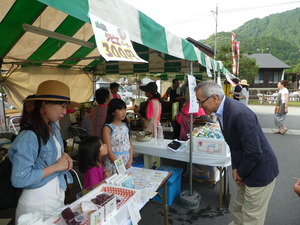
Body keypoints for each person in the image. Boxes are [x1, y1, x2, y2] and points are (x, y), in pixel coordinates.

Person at [195, 81, 279, 225]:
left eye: (201, 102)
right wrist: (235, 168)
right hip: (246, 167)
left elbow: (253, 152)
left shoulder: (239, 113)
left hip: (259, 171)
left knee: (251, 217)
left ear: (214, 98)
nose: (200, 106)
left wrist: (241, 172)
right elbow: (235, 145)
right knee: (239, 208)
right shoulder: (224, 110)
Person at [9, 80, 79, 221]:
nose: (64, 112)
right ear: (44, 103)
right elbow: (19, 178)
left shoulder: (52, 127)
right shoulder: (28, 136)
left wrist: (64, 155)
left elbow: (53, 152)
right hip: (37, 203)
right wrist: (55, 167)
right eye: (62, 106)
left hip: (55, 196)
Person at [102, 98, 133, 175]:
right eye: (120, 109)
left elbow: (130, 145)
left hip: (126, 163)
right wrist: (119, 166)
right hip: (114, 164)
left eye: (124, 109)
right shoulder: (108, 128)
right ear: (112, 112)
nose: (124, 112)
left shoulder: (126, 125)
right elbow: (108, 149)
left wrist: (130, 160)